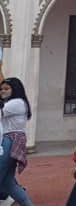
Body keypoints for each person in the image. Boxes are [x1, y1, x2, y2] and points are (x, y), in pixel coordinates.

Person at [0, 69, 32, 206]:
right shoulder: (13, 103)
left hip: (9, 141)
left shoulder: (17, 102)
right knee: (8, 182)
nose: (2, 91)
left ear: (16, 89)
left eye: (6, 88)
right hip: (10, 141)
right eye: (1, 89)